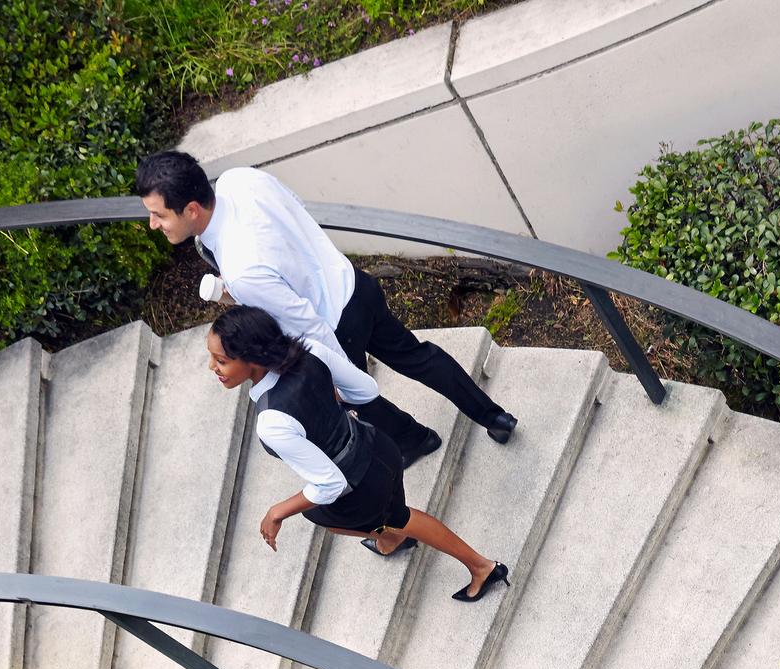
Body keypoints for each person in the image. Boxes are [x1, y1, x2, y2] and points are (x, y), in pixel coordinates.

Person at [137, 150, 519, 466]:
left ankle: (415, 440)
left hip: (333, 324)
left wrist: (339, 376)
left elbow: (304, 322)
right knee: (418, 356)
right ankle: (494, 416)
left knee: (361, 397)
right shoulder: (240, 179)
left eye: (159, 215)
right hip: (354, 283)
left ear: (190, 210)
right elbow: (298, 209)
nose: (153, 224)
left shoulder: (242, 270)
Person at [208, 304, 508, 603]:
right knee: (359, 513)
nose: (213, 367)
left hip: (360, 485)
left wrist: (277, 512)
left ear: (251, 358)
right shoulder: (307, 349)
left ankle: (481, 567)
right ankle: (390, 538)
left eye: (220, 360)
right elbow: (365, 390)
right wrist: (334, 408)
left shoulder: (271, 421)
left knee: (377, 516)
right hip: (379, 444)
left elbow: (331, 484)